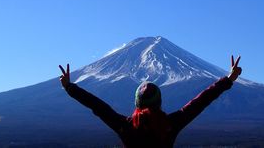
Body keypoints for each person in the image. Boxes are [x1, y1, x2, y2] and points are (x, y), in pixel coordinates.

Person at [59, 55, 242, 148]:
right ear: (159, 102)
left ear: (137, 103)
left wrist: (70, 87)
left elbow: (97, 106)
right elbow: (201, 101)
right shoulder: (171, 124)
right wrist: (229, 79)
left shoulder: (126, 127)